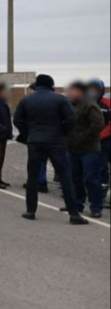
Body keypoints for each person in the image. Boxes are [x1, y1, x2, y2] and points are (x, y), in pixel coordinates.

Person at [13, 74, 88, 225]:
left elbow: (17, 120)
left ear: (37, 85)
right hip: (56, 141)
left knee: (32, 176)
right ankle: (74, 214)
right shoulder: (60, 99)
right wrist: (63, 133)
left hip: (34, 141)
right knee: (65, 177)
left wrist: (29, 133)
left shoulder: (27, 99)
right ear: (51, 85)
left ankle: (30, 211)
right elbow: (71, 119)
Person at [63, 81, 105, 218]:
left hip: (89, 148)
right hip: (72, 148)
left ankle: (96, 206)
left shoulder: (90, 105)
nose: (70, 93)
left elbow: (97, 124)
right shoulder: (68, 105)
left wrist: (82, 137)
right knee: (75, 177)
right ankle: (77, 203)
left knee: (92, 178)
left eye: (73, 91)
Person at [20, 82, 49, 192]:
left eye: (30, 90)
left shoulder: (29, 103)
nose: (28, 92)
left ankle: (39, 182)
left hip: (35, 137)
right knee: (41, 160)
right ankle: (39, 181)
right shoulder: (49, 102)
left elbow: (19, 120)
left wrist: (26, 133)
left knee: (37, 160)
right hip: (47, 137)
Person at [86, 79, 110, 207]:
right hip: (91, 143)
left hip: (105, 141)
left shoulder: (107, 104)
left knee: (102, 169)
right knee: (96, 169)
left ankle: (102, 195)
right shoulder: (85, 104)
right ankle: (97, 196)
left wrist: (100, 136)